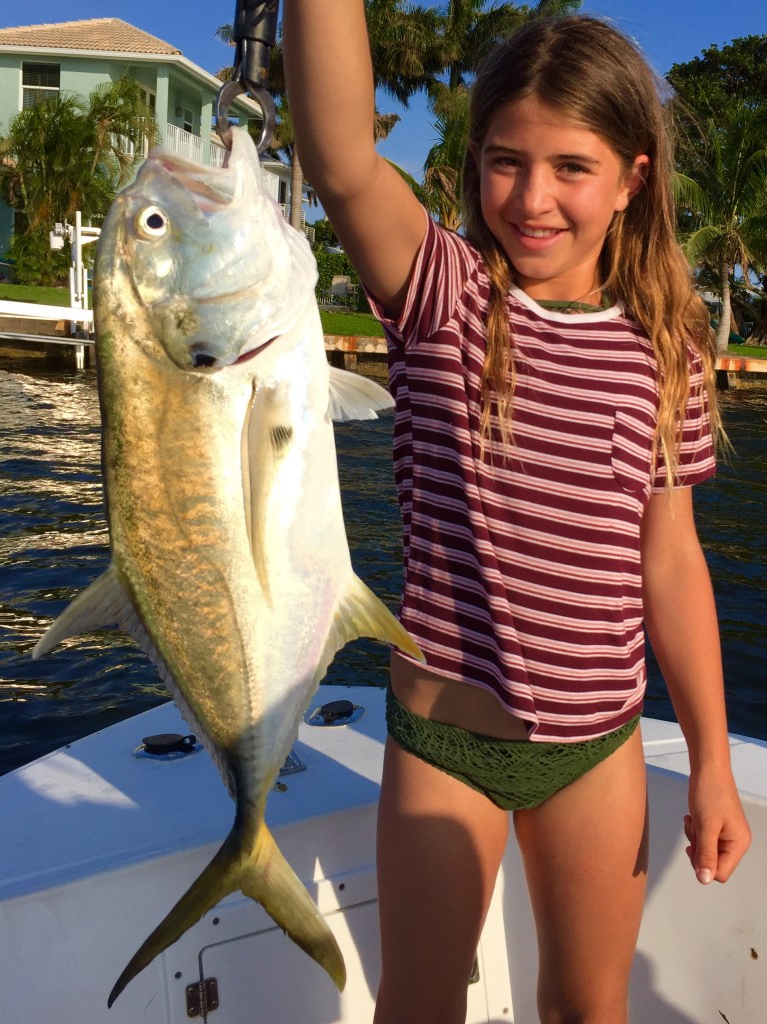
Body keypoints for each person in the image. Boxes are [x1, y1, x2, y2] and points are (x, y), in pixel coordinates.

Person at [283, 7, 752, 1023]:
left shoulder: (666, 343)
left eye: (571, 168)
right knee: (419, 1007)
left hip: (598, 750)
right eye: (505, 162)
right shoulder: (440, 293)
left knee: (590, 1008)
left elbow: (669, 561)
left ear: (633, 178)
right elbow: (341, 158)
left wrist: (712, 761)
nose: (533, 199)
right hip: (443, 743)